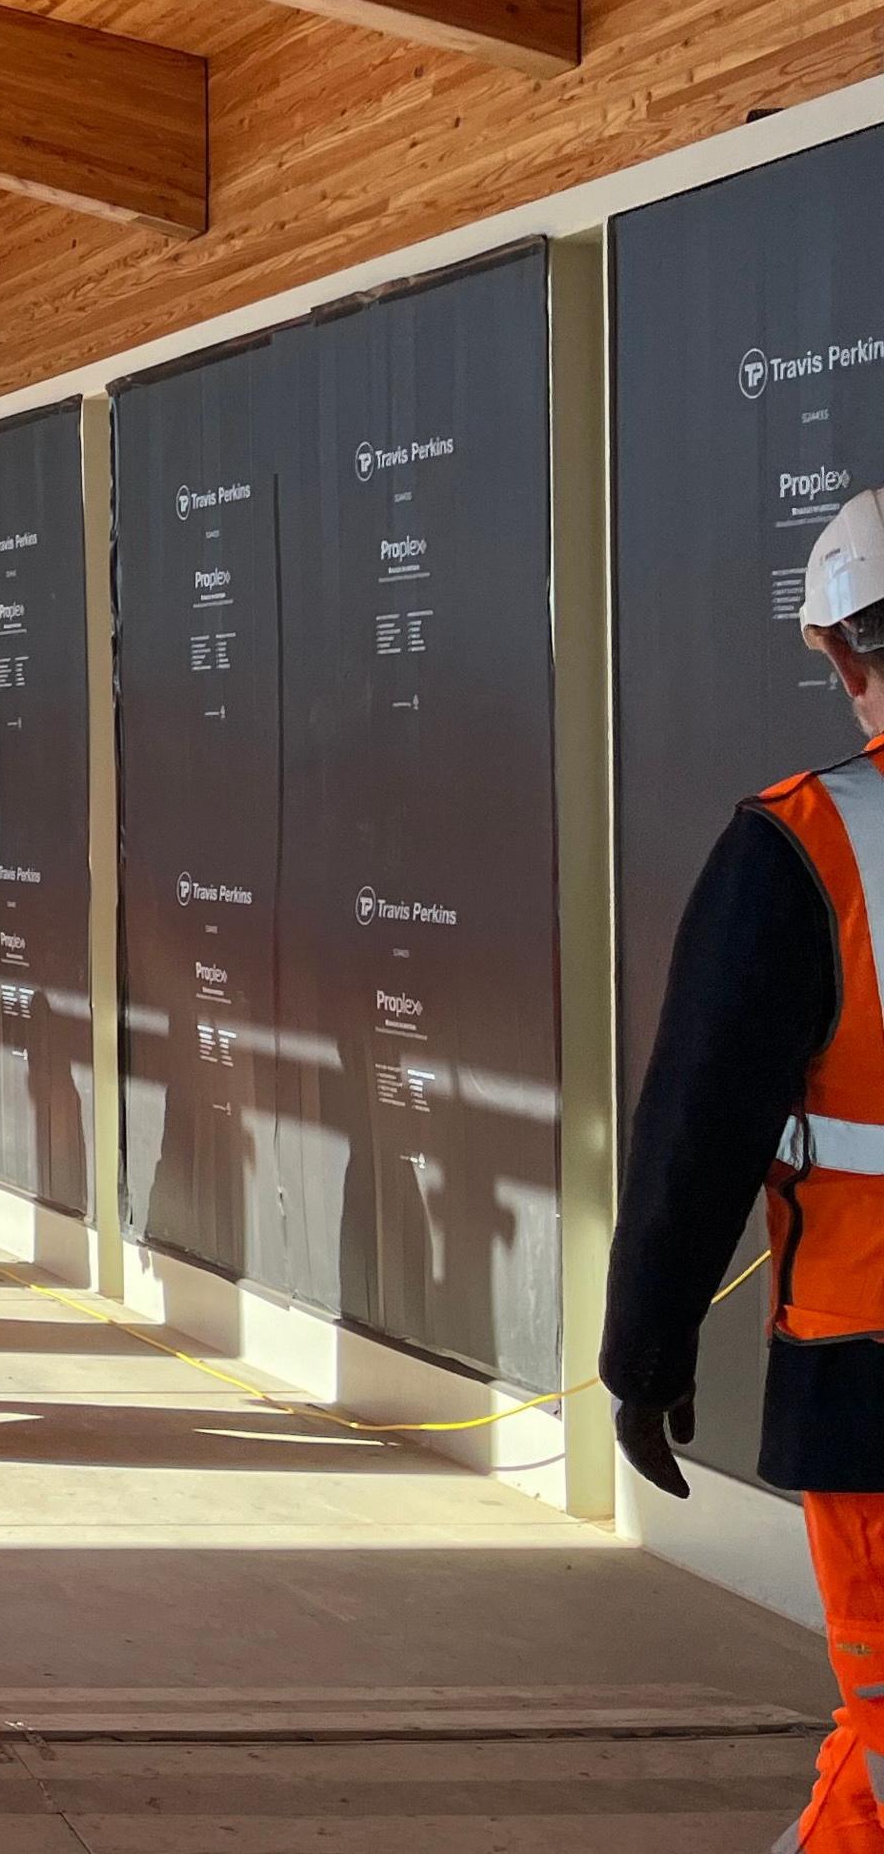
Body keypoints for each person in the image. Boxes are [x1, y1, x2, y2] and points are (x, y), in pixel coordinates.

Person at [607, 488, 884, 1852]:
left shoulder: (802, 844)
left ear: (841, 655)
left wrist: (644, 1360)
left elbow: (695, 1129)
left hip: (872, 1351)